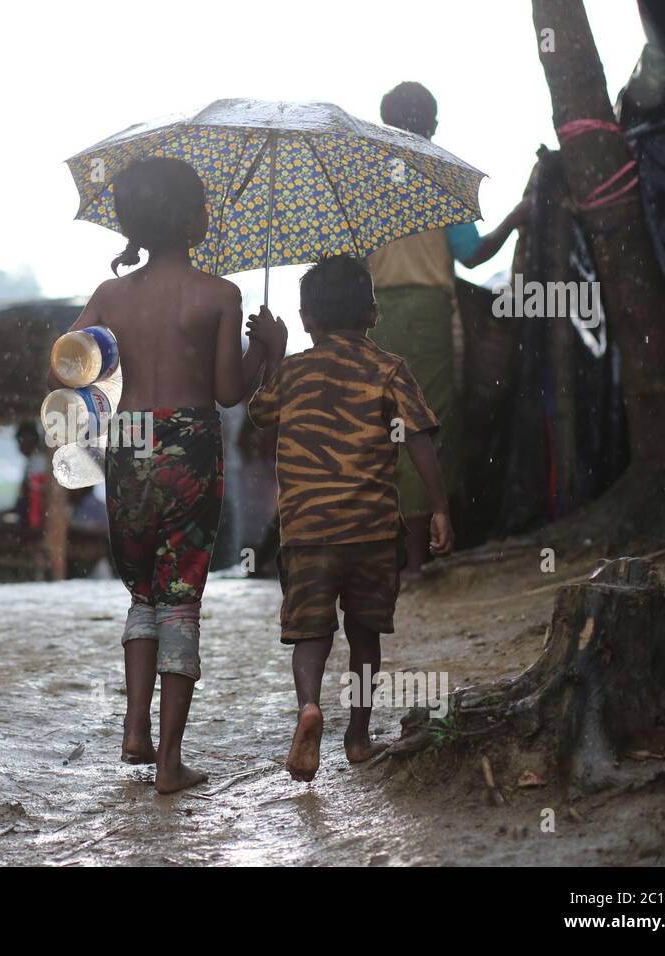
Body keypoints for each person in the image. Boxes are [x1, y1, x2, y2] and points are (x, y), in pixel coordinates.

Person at [55, 157, 279, 794]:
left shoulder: (110, 296)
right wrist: (265, 346)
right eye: (203, 204)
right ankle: (170, 762)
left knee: (143, 596)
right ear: (190, 220)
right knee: (181, 599)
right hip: (189, 448)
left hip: (128, 445)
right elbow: (230, 393)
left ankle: (134, 728)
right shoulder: (221, 295)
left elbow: (67, 366)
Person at [247, 256, 452, 781]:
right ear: (373, 313)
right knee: (365, 634)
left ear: (307, 318)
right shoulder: (389, 368)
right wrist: (438, 508)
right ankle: (358, 736)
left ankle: (309, 707)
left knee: (309, 634)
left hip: (307, 534)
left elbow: (260, 414)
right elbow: (422, 440)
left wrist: (272, 352)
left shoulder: (292, 371)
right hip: (372, 532)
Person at [370, 81, 529, 574]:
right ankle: (419, 560)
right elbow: (472, 254)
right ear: (433, 127)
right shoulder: (438, 176)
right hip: (426, 317)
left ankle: (385, 555)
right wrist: (517, 219)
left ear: (383, 123)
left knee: (381, 429)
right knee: (423, 427)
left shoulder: (364, 179)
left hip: (371, 320)